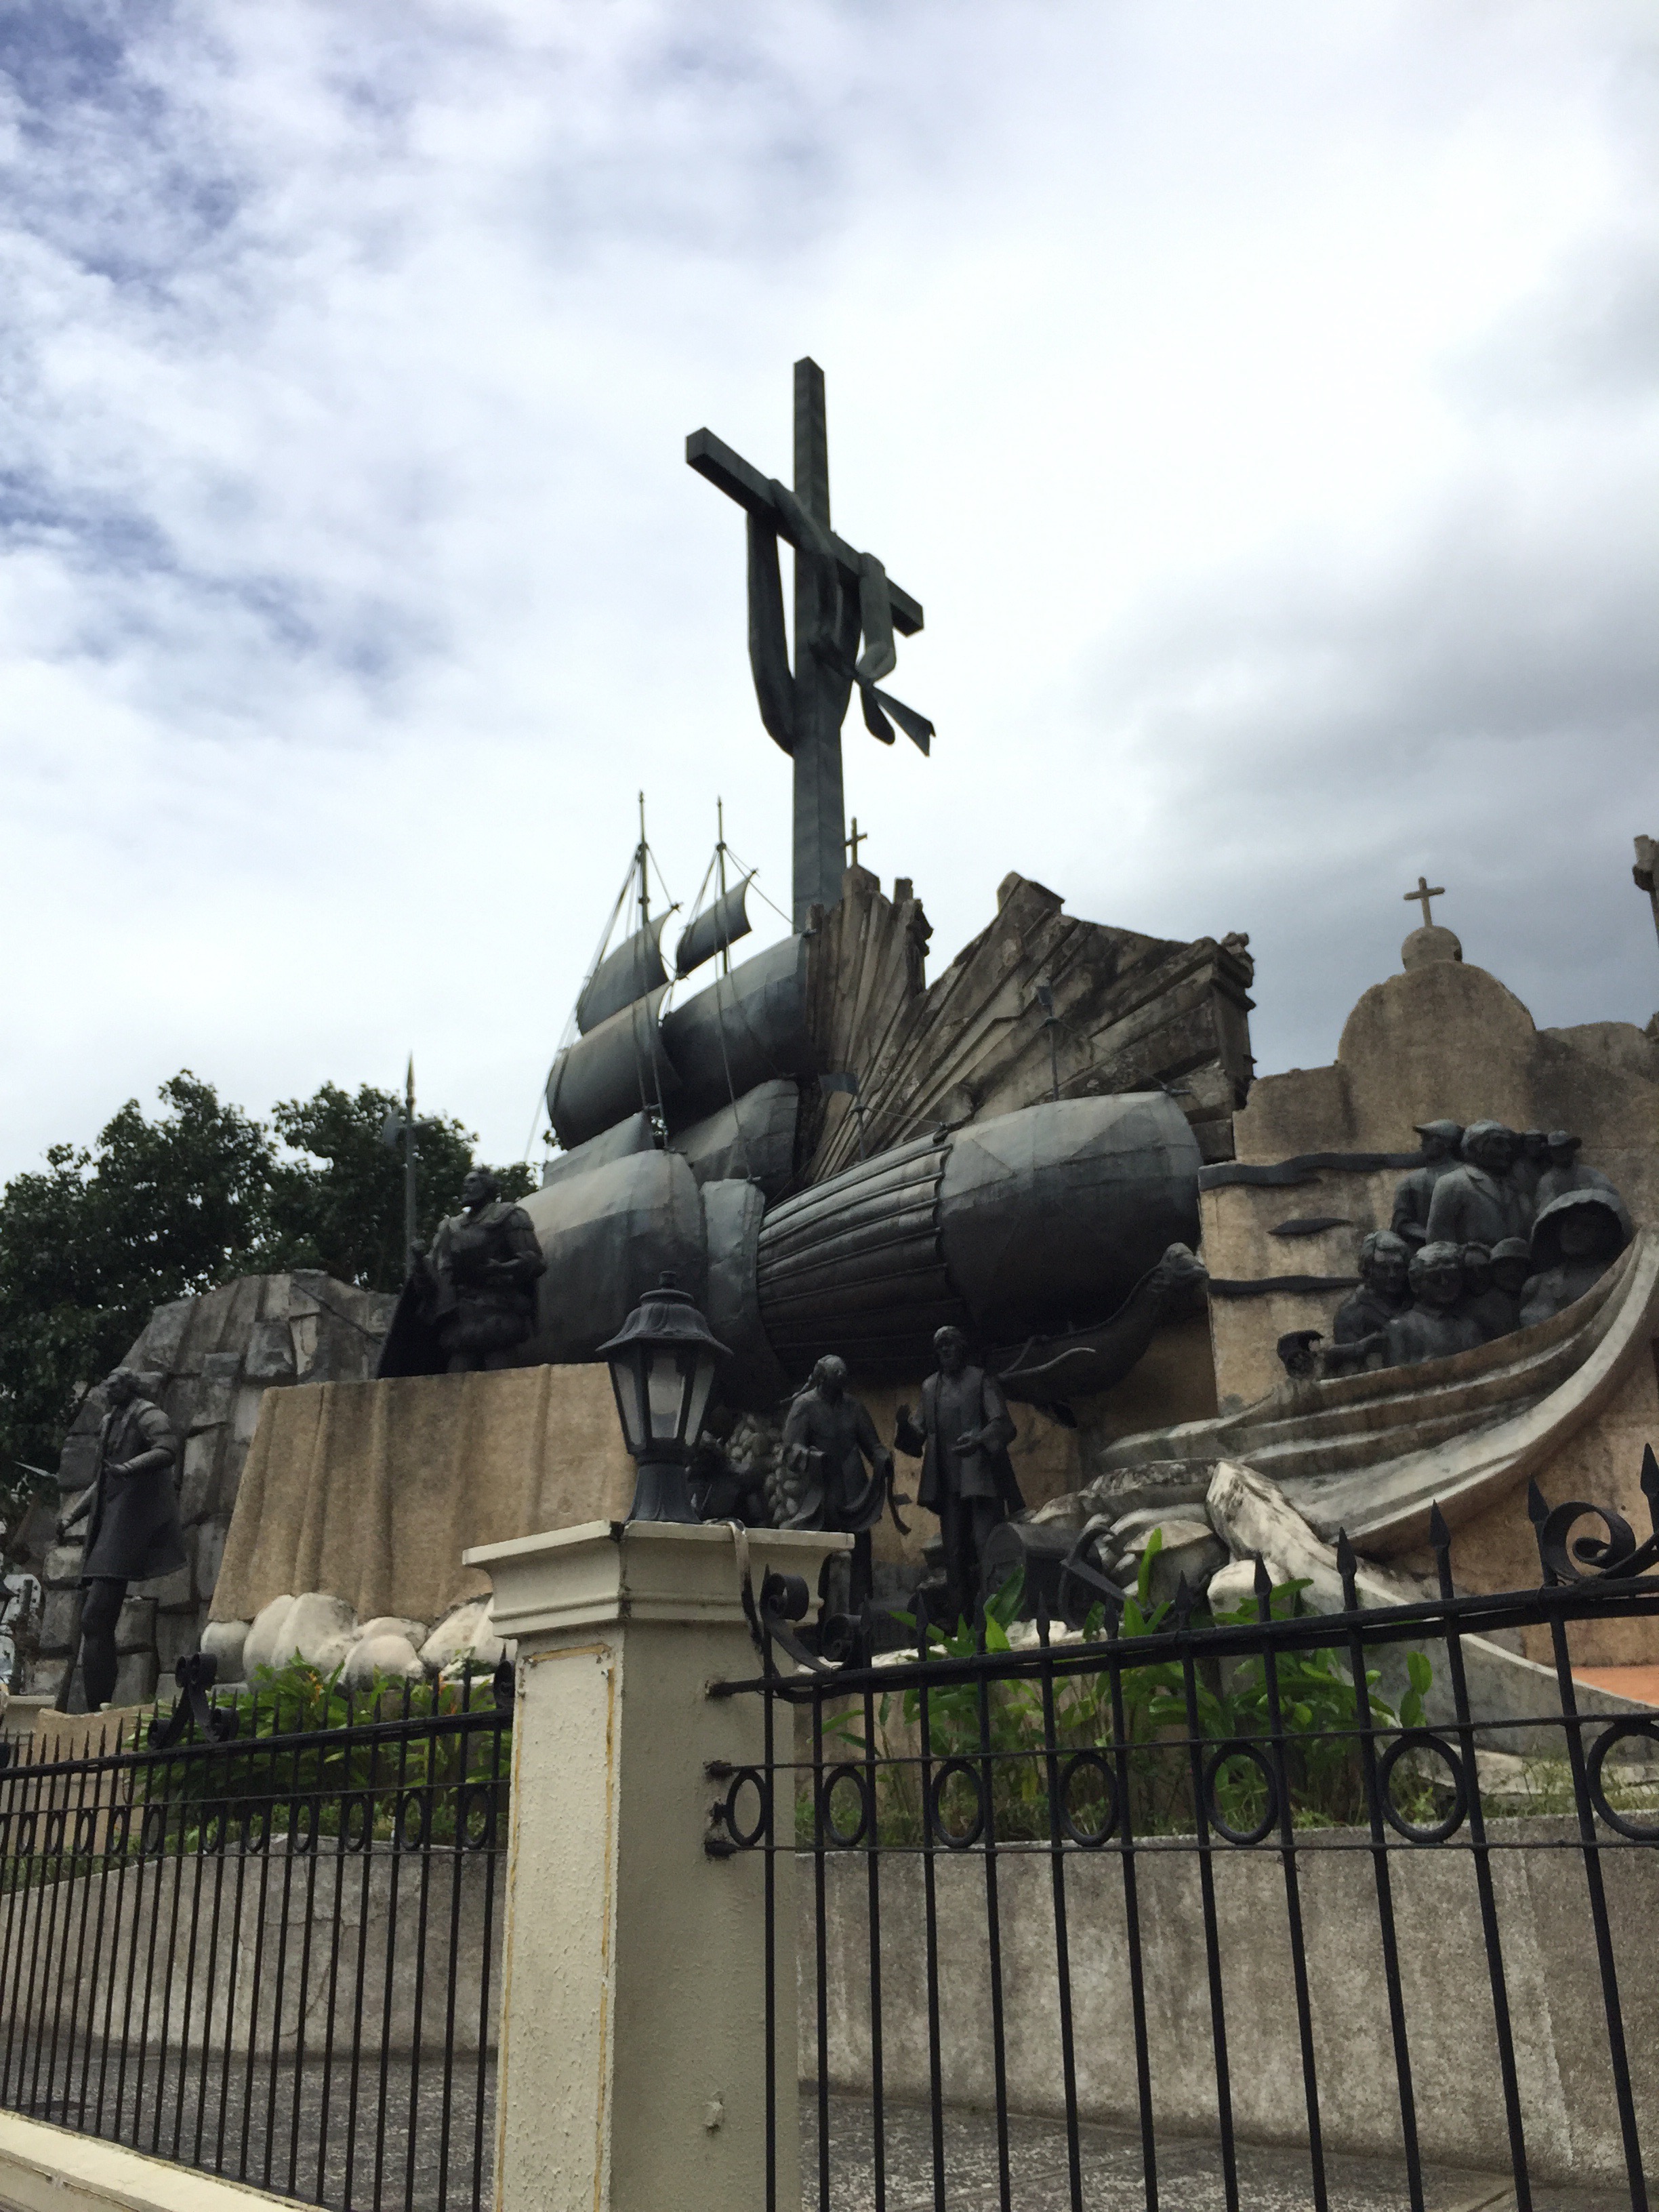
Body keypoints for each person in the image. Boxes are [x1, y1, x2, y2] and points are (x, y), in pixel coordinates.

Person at [56, 1368, 185, 1712]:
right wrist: (72, 1517)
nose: (106, 1390)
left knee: (95, 1618)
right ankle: (100, 1706)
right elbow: (102, 1480)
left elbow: (167, 1448)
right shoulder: (110, 1421)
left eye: (113, 1385)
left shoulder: (146, 1413)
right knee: (96, 1621)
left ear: (128, 1388)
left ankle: (101, 1706)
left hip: (129, 1526)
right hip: (108, 1525)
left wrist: (129, 1469)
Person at [895, 1326, 1022, 1625]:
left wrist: (979, 1439)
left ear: (962, 1349)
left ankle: (996, 1617)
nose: (946, 1352)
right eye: (940, 1348)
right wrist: (904, 1427)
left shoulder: (980, 1380)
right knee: (953, 1553)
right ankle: (961, 1621)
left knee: (985, 1545)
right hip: (949, 1485)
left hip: (981, 1480)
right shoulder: (930, 1388)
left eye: (950, 1346)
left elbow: (1004, 1424)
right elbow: (918, 1433)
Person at [773, 1355, 895, 1610]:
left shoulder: (854, 1407)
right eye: (835, 1377)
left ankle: (861, 1617)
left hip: (854, 1489)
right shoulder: (804, 1406)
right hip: (823, 1489)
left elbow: (872, 1446)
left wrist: (883, 1458)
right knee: (822, 1557)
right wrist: (813, 1458)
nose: (841, 1382)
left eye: (843, 1377)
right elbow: (790, 1450)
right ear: (822, 1378)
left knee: (862, 1552)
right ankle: (816, 1618)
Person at [407, 1168, 547, 1373]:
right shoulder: (449, 1228)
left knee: (502, 1378)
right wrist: (420, 1262)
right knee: (457, 1380)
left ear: (488, 1187)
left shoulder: (510, 1216)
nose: (466, 1187)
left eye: (472, 1182)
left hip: (498, 1314)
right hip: (461, 1320)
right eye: (465, 1182)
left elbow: (535, 1261)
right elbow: (434, 1283)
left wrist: (499, 1269)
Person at [1518, 1192, 1631, 1326]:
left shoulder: (1614, 1283)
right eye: (1570, 1224)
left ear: (1604, 1235)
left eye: (1587, 1226)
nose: (1575, 1231)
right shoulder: (1535, 1286)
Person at [1425, 1122, 1532, 1250]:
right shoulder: (1452, 1183)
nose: (1507, 1150)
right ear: (1476, 1146)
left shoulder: (1514, 1187)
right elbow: (1437, 1244)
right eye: (1499, 1143)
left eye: (1508, 1144)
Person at [1382, 1244, 1486, 1366]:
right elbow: (1394, 1377)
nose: (1444, 1283)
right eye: (1434, 1278)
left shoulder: (1469, 1326)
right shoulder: (1401, 1327)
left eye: (1452, 1277)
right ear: (1416, 1285)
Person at [1390, 1122, 1465, 1247]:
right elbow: (1401, 1223)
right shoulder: (1410, 1182)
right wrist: (1433, 1239)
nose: (1422, 1144)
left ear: (1447, 1143)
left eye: (1429, 1139)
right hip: (1425, 1254)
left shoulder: (1471, 1177)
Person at [1332, 1231, 1410, 1343]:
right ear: (1369, 1270)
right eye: (1383, 1268)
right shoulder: (1350, 1313)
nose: (1392, 1274)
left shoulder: (1417, 1301)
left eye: (1398, 1267)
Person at [1534, 1132, 1620, 1214]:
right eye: (1556, 1150)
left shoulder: (1591, 1174)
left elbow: (1610, 1197)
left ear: (1572, 1149)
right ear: (1550, 1153)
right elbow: (1545, 1212)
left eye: (1565, 1148)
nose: (1562, 1152)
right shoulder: (1546, 1182)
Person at [1511, 1131, 1551, 1206]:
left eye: (1537, 1143)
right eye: (1530, 1143)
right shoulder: (1519, 1167)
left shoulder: (1546, 1164)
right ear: (1525, 1146)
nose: (1534, 1146)